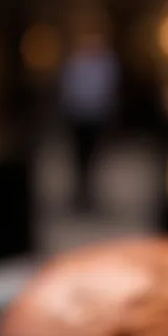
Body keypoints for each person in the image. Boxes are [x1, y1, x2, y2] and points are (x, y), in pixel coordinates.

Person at [59, 15, 120, 212]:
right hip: (78, 116)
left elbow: (110, 88)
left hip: (97, 115)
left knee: (95, 157)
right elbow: (68, 88)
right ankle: (79, 194)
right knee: (79, 157)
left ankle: (93, 194)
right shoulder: (75, 61)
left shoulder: (106, 62)